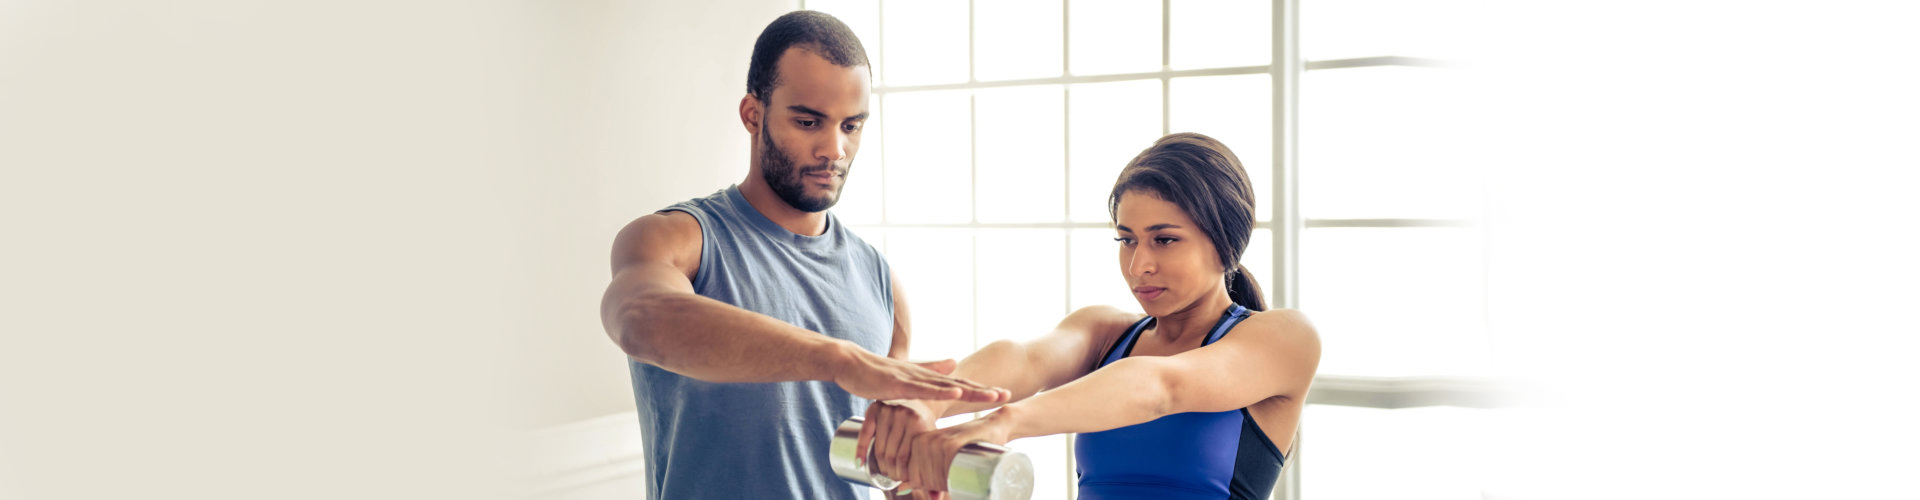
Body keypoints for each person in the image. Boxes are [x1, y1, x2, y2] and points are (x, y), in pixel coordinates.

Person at [599, 10, 1008, 500]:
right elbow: (637, 318)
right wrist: (837, 359)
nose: (834, 149)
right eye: (809, 121)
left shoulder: (881, 281)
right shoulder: (676, 240)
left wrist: (914, 487)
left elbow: (885, 470)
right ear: (753, 114)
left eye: (851, 126)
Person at [859, 133, 1322, 500]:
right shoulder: (1105, 333)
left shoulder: (1283, 339)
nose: (1139, 264)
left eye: (1164, 239)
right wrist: (928, 404)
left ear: (1225, 244)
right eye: (1126, 240)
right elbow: (1025, 360)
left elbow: (1161, 387)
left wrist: (1003, 423)